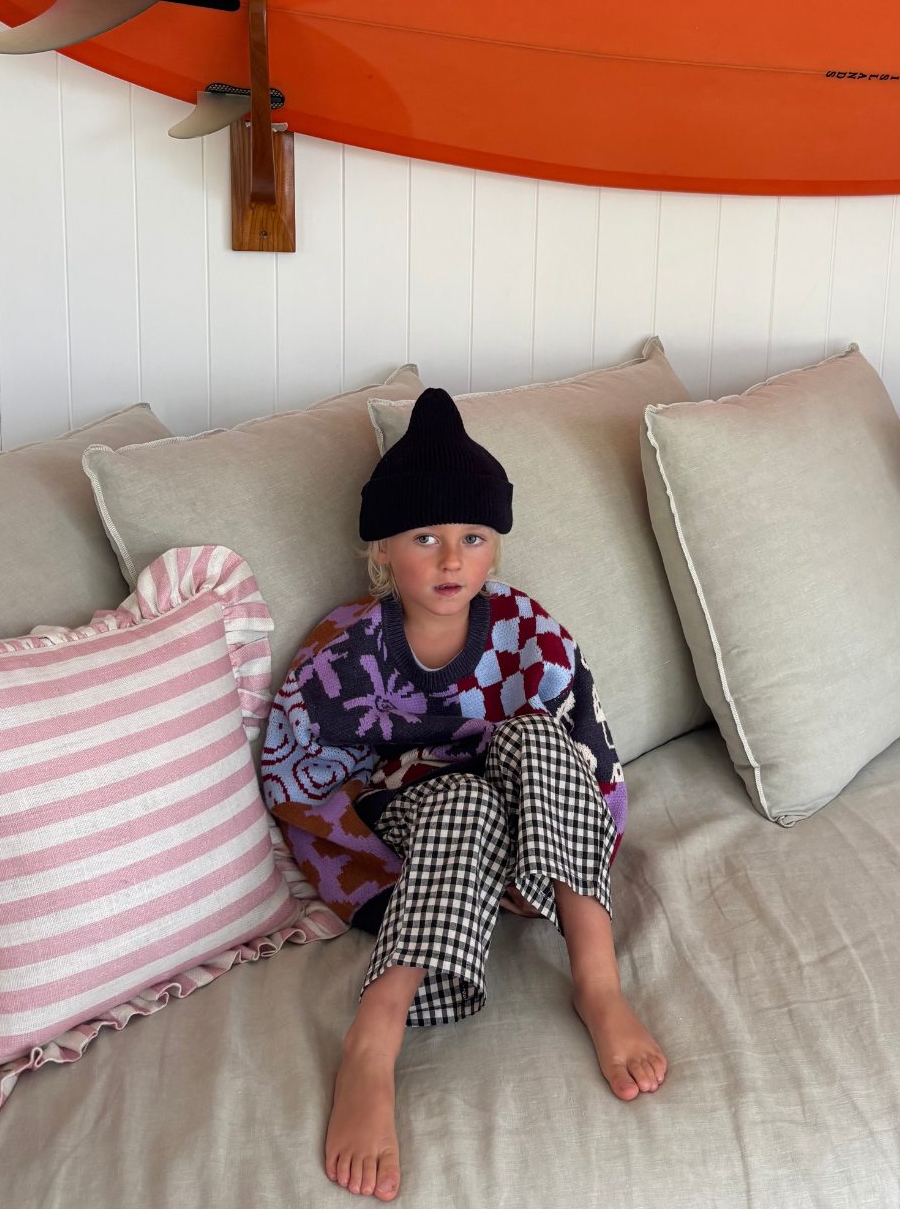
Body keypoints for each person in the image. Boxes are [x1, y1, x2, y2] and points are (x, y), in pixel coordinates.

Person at [261, 388, 666, 1201]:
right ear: (382, 551)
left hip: (537, 843)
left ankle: (596, 978)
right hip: (421, 837)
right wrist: (372, 871)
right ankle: (374, 1039)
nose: (451, 560)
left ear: (494, 551)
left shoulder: (529, 631)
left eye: (472, 538)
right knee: (463, 802)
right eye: (426, 539)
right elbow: (297, 770)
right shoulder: (343, 657)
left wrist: (579, 821)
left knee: (535, 737)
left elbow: (584, 738)